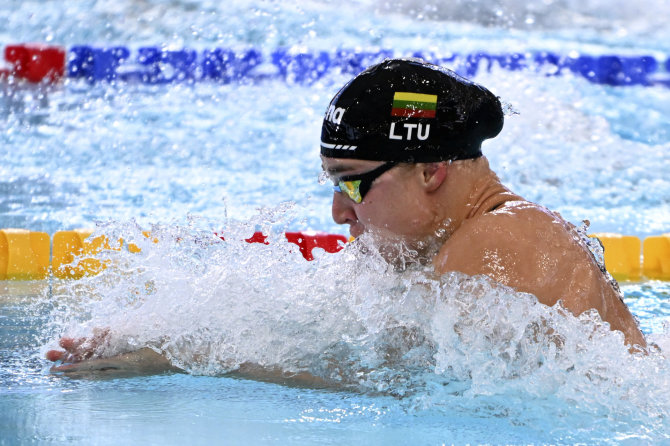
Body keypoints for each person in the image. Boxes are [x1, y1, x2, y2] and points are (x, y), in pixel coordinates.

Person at [47, 58, 645, 376]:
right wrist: (162, 325)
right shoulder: (455, 239)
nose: (339, 213)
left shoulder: (497, 241)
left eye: (353, 185)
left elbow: (399, 379)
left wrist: (181, 357)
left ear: (430, 168)